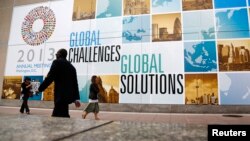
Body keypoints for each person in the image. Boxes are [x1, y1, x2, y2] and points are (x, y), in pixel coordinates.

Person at [38, 49, 81, 118]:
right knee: (64, 116)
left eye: (56, 54)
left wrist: (40, 89)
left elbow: (50, 78)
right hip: (67, 98)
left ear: (59, 54)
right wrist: (76, 98)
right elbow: (75, 84)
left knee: (56, 118)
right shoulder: (72, 68)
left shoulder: (56, 63)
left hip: (59, 97)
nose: (56, 55)